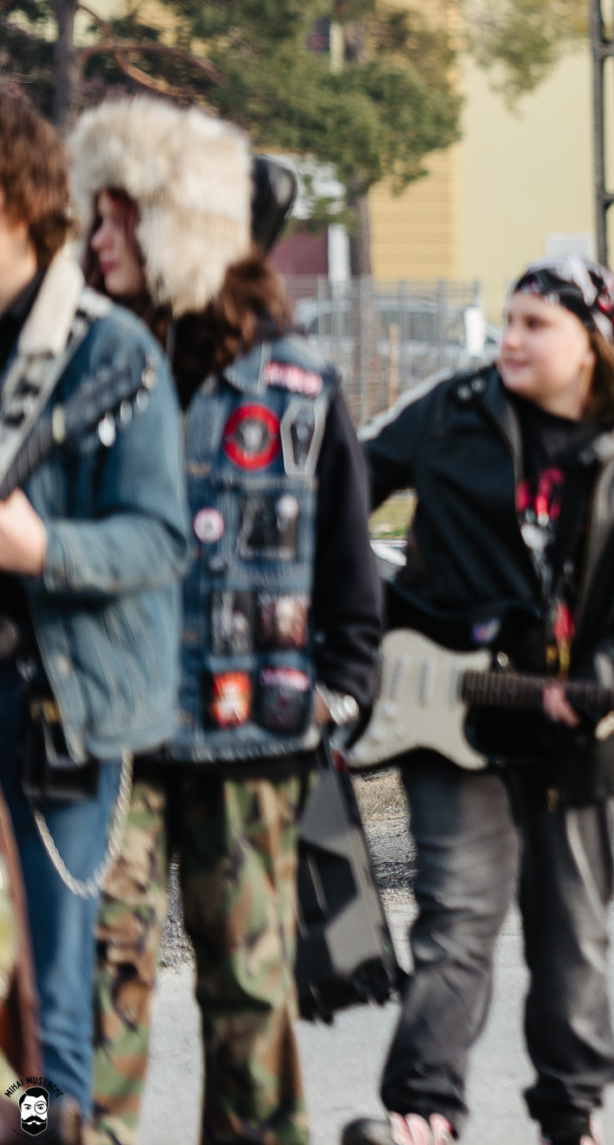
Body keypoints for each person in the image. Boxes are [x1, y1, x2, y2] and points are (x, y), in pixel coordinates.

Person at [69, 101, 385, 1145]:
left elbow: (349, 580)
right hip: (103, 744)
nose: (96, 237)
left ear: (182, 226)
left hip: (255, 741)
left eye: (120, 216)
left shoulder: (300, 387)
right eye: (94, 216)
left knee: (252, 994)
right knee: (76, 993)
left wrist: (338, 694)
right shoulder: (73, 371)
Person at [353, 256, 614, 1145]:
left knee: (568, 938)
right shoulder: (455, 413)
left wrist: (601, 687)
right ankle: (423, 1113)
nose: (509, 339)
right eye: (509, 321)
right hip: (446, 719)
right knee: (456, 919)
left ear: (591, 346)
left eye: (535, 325)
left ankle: (570, 1118)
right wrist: (359, 623)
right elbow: (345, 492)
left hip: (574, 743)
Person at [0, 89, 188, 1136]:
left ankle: (44, 1125)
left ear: (17, 202)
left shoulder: (109, 352)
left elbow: (161, 538)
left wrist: (42, 548)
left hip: (51, 707)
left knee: (49, 991)